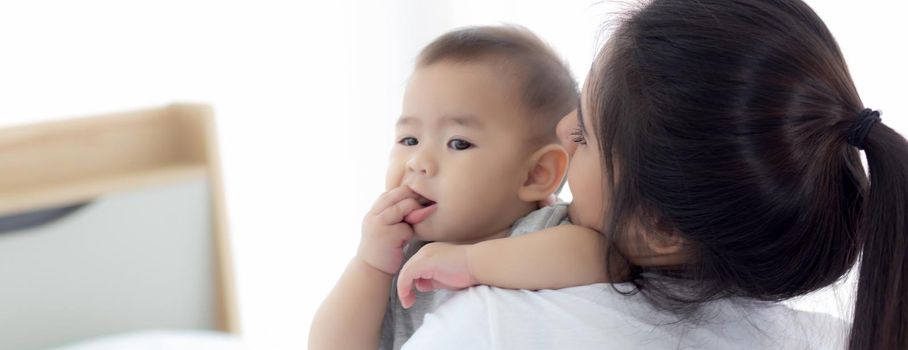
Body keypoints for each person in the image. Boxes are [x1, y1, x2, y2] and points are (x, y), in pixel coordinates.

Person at [396, 0, 908, 349]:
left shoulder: (490, 327)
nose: (561, 128)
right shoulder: (838, 337)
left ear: (659, 228)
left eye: (585, 138)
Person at [309, 26, 617, 350]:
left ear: (535, 175)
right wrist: (369, 265)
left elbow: (601, 256)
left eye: (457, 143)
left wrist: (469, 262)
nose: (418, 161)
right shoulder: (402, 257)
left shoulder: (543, 230)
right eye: (409, 140)